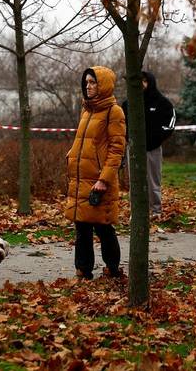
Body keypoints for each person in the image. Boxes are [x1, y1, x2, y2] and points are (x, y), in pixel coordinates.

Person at [65, 66, 126, 280]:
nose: (88, 86)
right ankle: (83, 270)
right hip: (81, 178)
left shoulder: (114, 111)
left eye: (93, 82)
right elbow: (84, 142)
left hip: (99, 182)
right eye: (87, 83)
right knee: (81, 227)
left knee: (103, 227)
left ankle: (112, 267)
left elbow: (117, 150)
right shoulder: (86, 110)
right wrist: (72, 155)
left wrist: (104, 179)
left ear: (104, 85)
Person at [121, 71, 175, 216]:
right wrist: (128, 139)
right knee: (135, 182)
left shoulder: (162, 102)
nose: (141, 85)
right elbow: (121, 124)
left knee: (153, 181)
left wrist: (155, 140)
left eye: (144, 81)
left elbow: (170, 124)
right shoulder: (127, 104)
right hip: (133, 148)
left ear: (149, 82)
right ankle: (137, 211)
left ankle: (155, 211)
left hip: (153, 149)